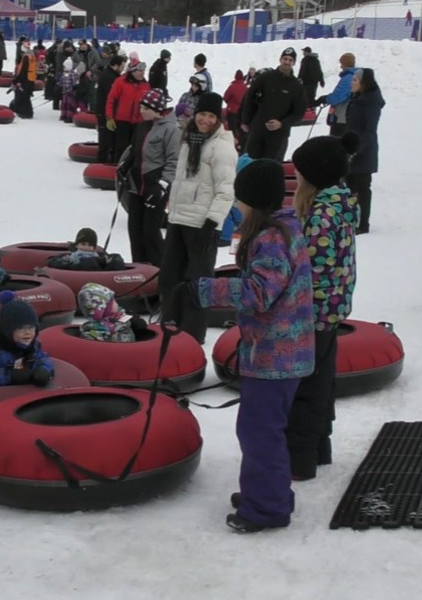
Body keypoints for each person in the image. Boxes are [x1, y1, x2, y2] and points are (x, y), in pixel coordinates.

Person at [191, 159, 315, 534]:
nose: (236, 206)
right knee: (263, 429)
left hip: (276, 357)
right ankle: (268, 493)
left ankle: (267, 508)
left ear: (253, 201)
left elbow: (259, 293)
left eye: (239, 199)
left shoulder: (273, 237)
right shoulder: (284, 228)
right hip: (280, 352)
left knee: (259, 432)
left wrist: (205, 290)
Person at [286, 135, 360, 480]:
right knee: (321, 384)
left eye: (300, 172)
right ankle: (319, 448)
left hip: (311, 314)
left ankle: (299, 460)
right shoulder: (341, 204)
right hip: (330, 311)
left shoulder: (321, 214)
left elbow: (310, 269)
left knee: (305, 389)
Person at [159, 91, 238, 343]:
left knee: (197, 283)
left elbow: (226, 191)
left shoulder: (222, 147)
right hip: (179, 219)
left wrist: (212, 223)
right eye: (202, 114)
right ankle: (170, 324)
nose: (205, 120)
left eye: (211, 116)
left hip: (202, 225)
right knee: (170, 276)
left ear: (218, 119)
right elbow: (182, 180)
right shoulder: (188, 140)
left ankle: (193, 334)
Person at [115, 88, 178, 267]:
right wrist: (125, 165)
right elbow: (135, 150)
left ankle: (160, 270)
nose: (141, 111)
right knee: (134, 230)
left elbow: (174, 160)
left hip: (155, 187)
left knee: (150, 233)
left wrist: (163, 184)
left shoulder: (171, 129)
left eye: (146, 108)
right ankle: (139, 267)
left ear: (157, 109)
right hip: (136, 186)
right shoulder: (142, 126)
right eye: (141, 107)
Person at [0, 292, 54, 386]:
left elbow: (43, 358)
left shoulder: (33, 348)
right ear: (8, 331)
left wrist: (43, 369)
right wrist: (9, 375)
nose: (27, 332)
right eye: (21, 328)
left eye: (31, 328)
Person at [240, 48, 307, 162]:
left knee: (270, 166)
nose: (287, 62)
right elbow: (249, 99)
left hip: (278, 135)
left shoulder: (296, 86)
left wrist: (282, 123)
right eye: (285, 59)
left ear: (294, 63)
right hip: (257, 130)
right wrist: (245, 120)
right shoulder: (265, 78)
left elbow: (299, 112)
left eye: (290, 60)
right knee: (250, 163)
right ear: (280, 59)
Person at [345, 68, 384, 234]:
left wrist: (356, 149)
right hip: (351, 149)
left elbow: (369, 131)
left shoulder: (370, 102)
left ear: (363, 83)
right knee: (349, 187)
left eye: (354, 80)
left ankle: (363, 224)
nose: (351, 82)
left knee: (362, 188)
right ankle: (351, 219)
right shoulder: (357, 98)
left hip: (363, 152)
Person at [105, 59, 151, 160]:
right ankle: (117, 166)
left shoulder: (146, 85)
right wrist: (109, 117)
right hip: (122, 121)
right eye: (140, 71)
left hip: (138, 122)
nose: (142, 73)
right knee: (121, 147)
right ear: (133, 72)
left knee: (135, 148)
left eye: (143, 71)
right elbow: (111, 99)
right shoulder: (120, 82)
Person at [77, 283, 146, 343]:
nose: (117, 303)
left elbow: (139, 325)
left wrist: (135, 320)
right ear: (105, 308)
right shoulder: (91, 332)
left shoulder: (121, 317)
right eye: (113, 301)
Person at [317, 53, 357, 138]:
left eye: (342, 63)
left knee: (336, 143)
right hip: (348, 117)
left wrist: (325, 99)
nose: (341, 66)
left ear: (346, 64)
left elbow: (338, 96)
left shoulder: (348, 78)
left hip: (341, 117)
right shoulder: (355, 76)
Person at [94, 55, 126, 163]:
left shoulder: (113, 76)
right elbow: (112, 96)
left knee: (110, 139)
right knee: (105, 141)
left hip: (109, 112)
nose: (123, 69)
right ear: (116, 65)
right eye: (122, 66)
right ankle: (102, 162)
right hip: (105, 113)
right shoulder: (109, 77)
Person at [10, 41, 37, 119]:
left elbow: (23, 71)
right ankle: (28, 112)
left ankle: (24, 112)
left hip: (26, 79)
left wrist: (16, 80)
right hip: (31, 78)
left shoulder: (26, 57)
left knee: (23, 96)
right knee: (26, 96)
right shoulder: (31, 55)